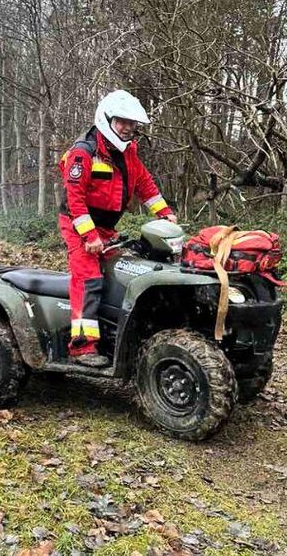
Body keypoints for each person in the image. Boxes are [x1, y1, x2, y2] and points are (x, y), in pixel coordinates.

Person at [58, 90, 178, 367]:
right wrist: (89, 236)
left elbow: (145, 185)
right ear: (107, 119)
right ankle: (82, 346)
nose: (127, 128)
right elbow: (74, 201)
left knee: (121, 274)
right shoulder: (83, 153)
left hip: (107, 228)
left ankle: (114, 335)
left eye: (131, 124)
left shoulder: (128, 153)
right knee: (88, 276)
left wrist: (166, 214)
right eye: (122, 122)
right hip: (79, 225)